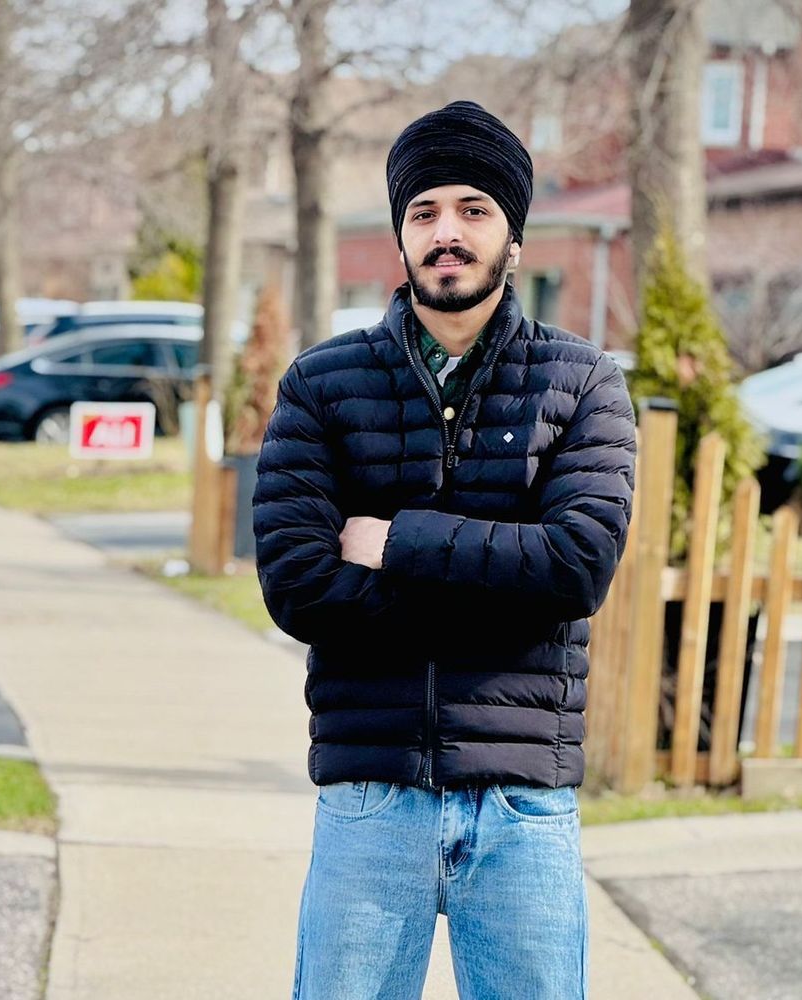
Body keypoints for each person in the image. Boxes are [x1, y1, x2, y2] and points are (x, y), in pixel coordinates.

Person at [253, 100, 636, 1000]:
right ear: (401, 234)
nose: (446, 233)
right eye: (423, 212)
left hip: (523, 804)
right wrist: (507, 587)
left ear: (513, 235)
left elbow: (577, 568)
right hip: (370, 796)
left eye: (473, 209)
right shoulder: (321, 385)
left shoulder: (581, 383)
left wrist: (396, 542)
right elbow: (298, 586)